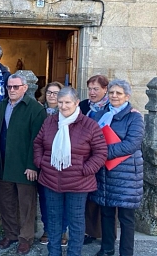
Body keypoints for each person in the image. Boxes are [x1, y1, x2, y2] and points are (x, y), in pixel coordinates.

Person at [33, 87, 107, 256]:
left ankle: (74, 253)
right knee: (53, 220)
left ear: (75, 103)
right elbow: (38, 143)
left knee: (76, 222)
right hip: (51, 180)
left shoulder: (89, 125)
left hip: (78, 182)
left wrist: (85, 169)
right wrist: (41, 162)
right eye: (60, 102)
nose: (63, 106)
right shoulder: (50, 122)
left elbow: (101, 152)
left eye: (67, 102)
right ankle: (54, 253)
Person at [90, 79, 145, 256]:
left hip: (126, 174)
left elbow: (132, 144)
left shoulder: (134, 117)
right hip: (105, 173)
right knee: (106, 213)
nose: (114, 96)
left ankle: (126, 252)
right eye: (112, 92)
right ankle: (107, 248)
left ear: (127, 96)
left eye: (119, 93)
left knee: (126, 217)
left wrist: (102, 152)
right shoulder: (101, 114)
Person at [0, 74, 46, 254]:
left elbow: (38, 140)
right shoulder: (2, 106)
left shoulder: (35, 109)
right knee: (5, 202)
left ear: (25, 88)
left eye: (16, 87)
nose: (12, 90)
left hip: (25, 165)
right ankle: (11, 234)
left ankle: (25, 238)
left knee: (26, 205)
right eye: (9, 87)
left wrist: (32, 165)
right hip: (4, 163)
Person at [79, 75, 110, 245]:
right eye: (90, 88)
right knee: (88, 196)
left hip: (103, 156)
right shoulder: (83, 105)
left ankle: (104, 233)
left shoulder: (110, 107)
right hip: (84, 156)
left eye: (96, 89)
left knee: (103, 197)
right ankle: (89, 231)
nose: (92, 92)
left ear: (105, 89)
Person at [36, 81, 68, 245]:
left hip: (62, 162)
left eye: (56, 93)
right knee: (45, 198)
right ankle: (48, 229)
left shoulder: (68, 112)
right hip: (44, 162)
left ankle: (62, 231)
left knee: (61, 198)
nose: (52, 95)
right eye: (49, 92)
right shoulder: (38, 110)